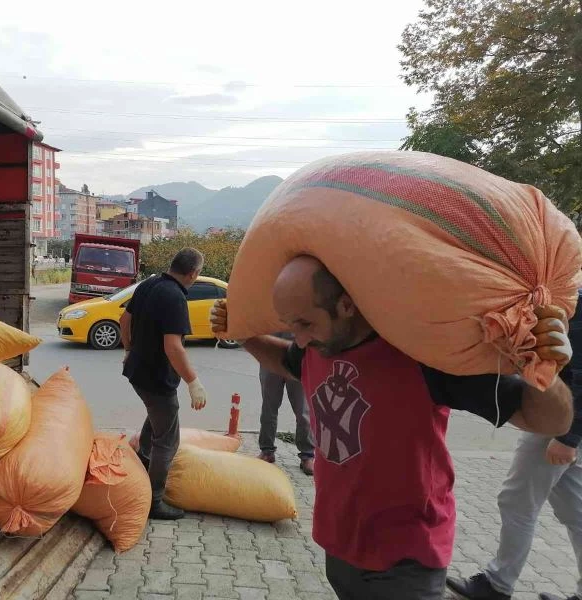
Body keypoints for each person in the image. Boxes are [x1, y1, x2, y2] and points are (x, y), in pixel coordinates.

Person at [209, 255, 574, 600]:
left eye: (305, 324)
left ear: (346, 305)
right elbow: (286, 361)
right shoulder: (317, 346)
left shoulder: (423, 354)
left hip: (405, 560)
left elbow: (549, 420)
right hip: (338, 544)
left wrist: (543, 370)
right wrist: (242, 334)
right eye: (292, 326)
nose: (299, 338)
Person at [446, 291, 582, 600]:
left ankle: (497, 584)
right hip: (564, 418)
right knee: (574, 508)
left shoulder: (577, 299)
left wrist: (568, 438)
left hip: (560, 420)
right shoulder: (571, 295)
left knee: (517, 501)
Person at [120, 247, 208, 520]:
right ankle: (153, 501)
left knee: (158, 418)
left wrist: (128, 350)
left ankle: (141, 463)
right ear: (192, 273)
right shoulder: (175, 297)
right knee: (168, 440)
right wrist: (193, 381)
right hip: (156, 378)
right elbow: (173, 347)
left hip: (138, 372)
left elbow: (124, 320)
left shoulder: (149, 285)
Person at [258, 332, 315, 475]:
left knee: (303, 411)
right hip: (270, 354)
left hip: (298, 353)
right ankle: (267, 451)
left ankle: (307, 455)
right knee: (268, 408)